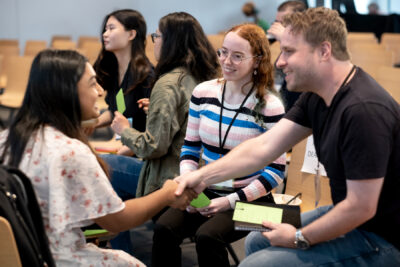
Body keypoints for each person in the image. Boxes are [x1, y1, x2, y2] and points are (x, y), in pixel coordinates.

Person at [174, 7, 400, 266]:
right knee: (256, 241)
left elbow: (361, 208)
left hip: (381, 236)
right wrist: (201, 176)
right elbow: (263, 147)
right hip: (353, 215)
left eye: (289, 51)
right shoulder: (316, 95)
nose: (279, 61)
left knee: (254, 264)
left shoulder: (363, 111)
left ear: (324, 51)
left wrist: (299, 237)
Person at [0, 50, 195, 267]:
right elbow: (118, 220)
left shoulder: (7, 139)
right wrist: (166, 194)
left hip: (22, 252)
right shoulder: (71, 152)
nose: (100, 91)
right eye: (93, 84)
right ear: (67, 91)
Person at [152, 23, 286, 267]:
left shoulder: (269, 105)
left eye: (237, 56)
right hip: (208, 189)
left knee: (207, 236)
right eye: (223, 52)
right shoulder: (204, 92)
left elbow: (276, 172)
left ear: (257, 61)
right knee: (163, 227)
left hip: (255, 199)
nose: (227, 61)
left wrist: (228, 201)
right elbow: (190, 148)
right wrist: (189, 186)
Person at [110, 12, 219, 203]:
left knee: (106, 165)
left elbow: (153, 147)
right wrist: (158, 109)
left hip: (170, 179)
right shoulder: (198, 75)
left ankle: (118, 228)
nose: (154, 41)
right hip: (199, 172)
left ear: (171, 41)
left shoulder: (168, 84)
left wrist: (124, 131)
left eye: (157, 36)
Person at [93, 9, 154, 136]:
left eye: (111, 28)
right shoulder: (114, 70)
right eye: (105, 29)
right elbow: (116, 111)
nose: (105, 34)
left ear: (131, 34)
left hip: (140, 150)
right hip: (124, 144)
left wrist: (128, 149)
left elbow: (155, 128)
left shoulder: (146, 75)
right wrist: (92, 124)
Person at [268, 0, 306, 112]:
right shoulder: (284, 48)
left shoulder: (308, 45)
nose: (278, 27)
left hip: (295, 110)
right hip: (279, 105)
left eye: (283, 22)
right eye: (276, 22)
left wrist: (285, 38)